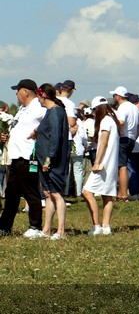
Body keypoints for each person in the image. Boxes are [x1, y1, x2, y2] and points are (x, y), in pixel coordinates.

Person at [0, 79, 47, 238]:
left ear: (26, 91)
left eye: (18, 90)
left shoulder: (38, 109)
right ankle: (4, 226)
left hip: (28, 157)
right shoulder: (22, 109)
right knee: (11, 193)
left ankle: (35, 226)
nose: (16, 94)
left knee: (31, 192)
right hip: (16, 157)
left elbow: (50, 123)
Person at [35, 84, 70, 239]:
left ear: (44, 96)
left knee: (57, 194)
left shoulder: (56, 112)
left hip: (53, 160)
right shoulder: (50, 112)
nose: (37, 99)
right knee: (48, 194)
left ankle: (61, 231)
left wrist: (49, 158)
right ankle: (46, 229)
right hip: (44, 160)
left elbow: (56, 137)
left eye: (38, 96)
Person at [82, 99, 120, 236]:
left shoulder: (105, 121)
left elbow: (103, 142)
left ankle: (96, 225)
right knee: (107, 194)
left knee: (86, 192)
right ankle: (106, 226)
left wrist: (96, 162)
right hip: (111, 163)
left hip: (103, 163)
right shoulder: (112, 120)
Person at [109, 86, 139, 201]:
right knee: (125, 166)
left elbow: (121, 122)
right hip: (131, 138)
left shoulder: (122, 107)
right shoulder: (134, 107)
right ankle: (121, 193)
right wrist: (134, 136)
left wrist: (113, 131)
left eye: (114, 96)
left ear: (118, 96)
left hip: (123, 138)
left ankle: (123, 194)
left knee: (121, 167)